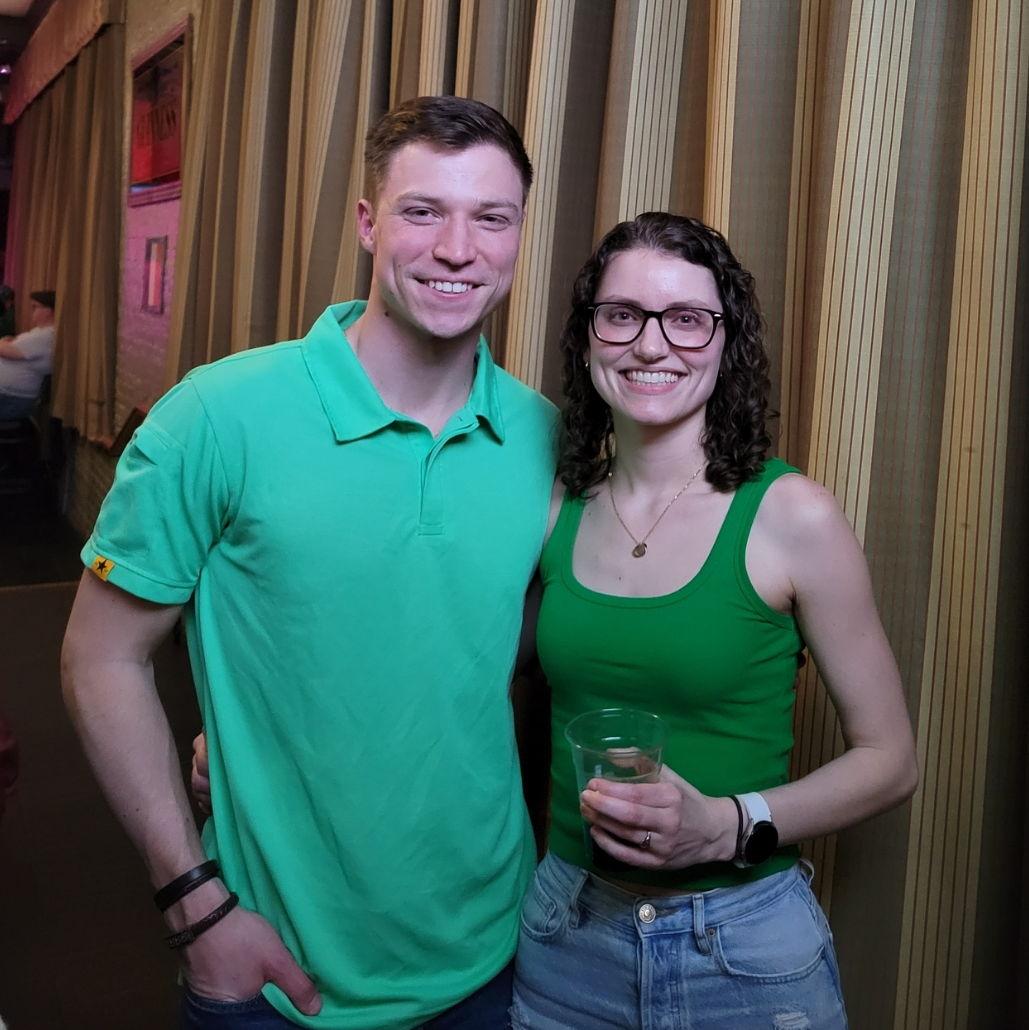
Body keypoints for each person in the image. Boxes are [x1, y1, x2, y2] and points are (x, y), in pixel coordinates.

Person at [61, 96, 558, 1030]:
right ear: (368, 223)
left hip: (495, 952)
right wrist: (195, 904)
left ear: (518, 234)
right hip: (271, 973)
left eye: (490, 218)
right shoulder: (218, 415)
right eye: (422, 211)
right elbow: (100, 659)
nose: (458, 249)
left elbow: (493, 638)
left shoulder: (544, 439)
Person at [506, 212, 918, 1029]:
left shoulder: (793, 516)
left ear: (726, 342)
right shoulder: (551, 510)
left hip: (740, 947)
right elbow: (459, 681)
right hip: (567, 936)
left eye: (686, 319)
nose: (649, 344)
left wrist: (726, 825)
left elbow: (890, 760)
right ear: (587, 338)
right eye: (621, 315)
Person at [0, 289, 56, 420]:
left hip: (10, 400)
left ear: (49, 310)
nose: (32, 311)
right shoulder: (39, 332)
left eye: (35, 307)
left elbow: (6, 351)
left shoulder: (46, 336)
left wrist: (2, 342)